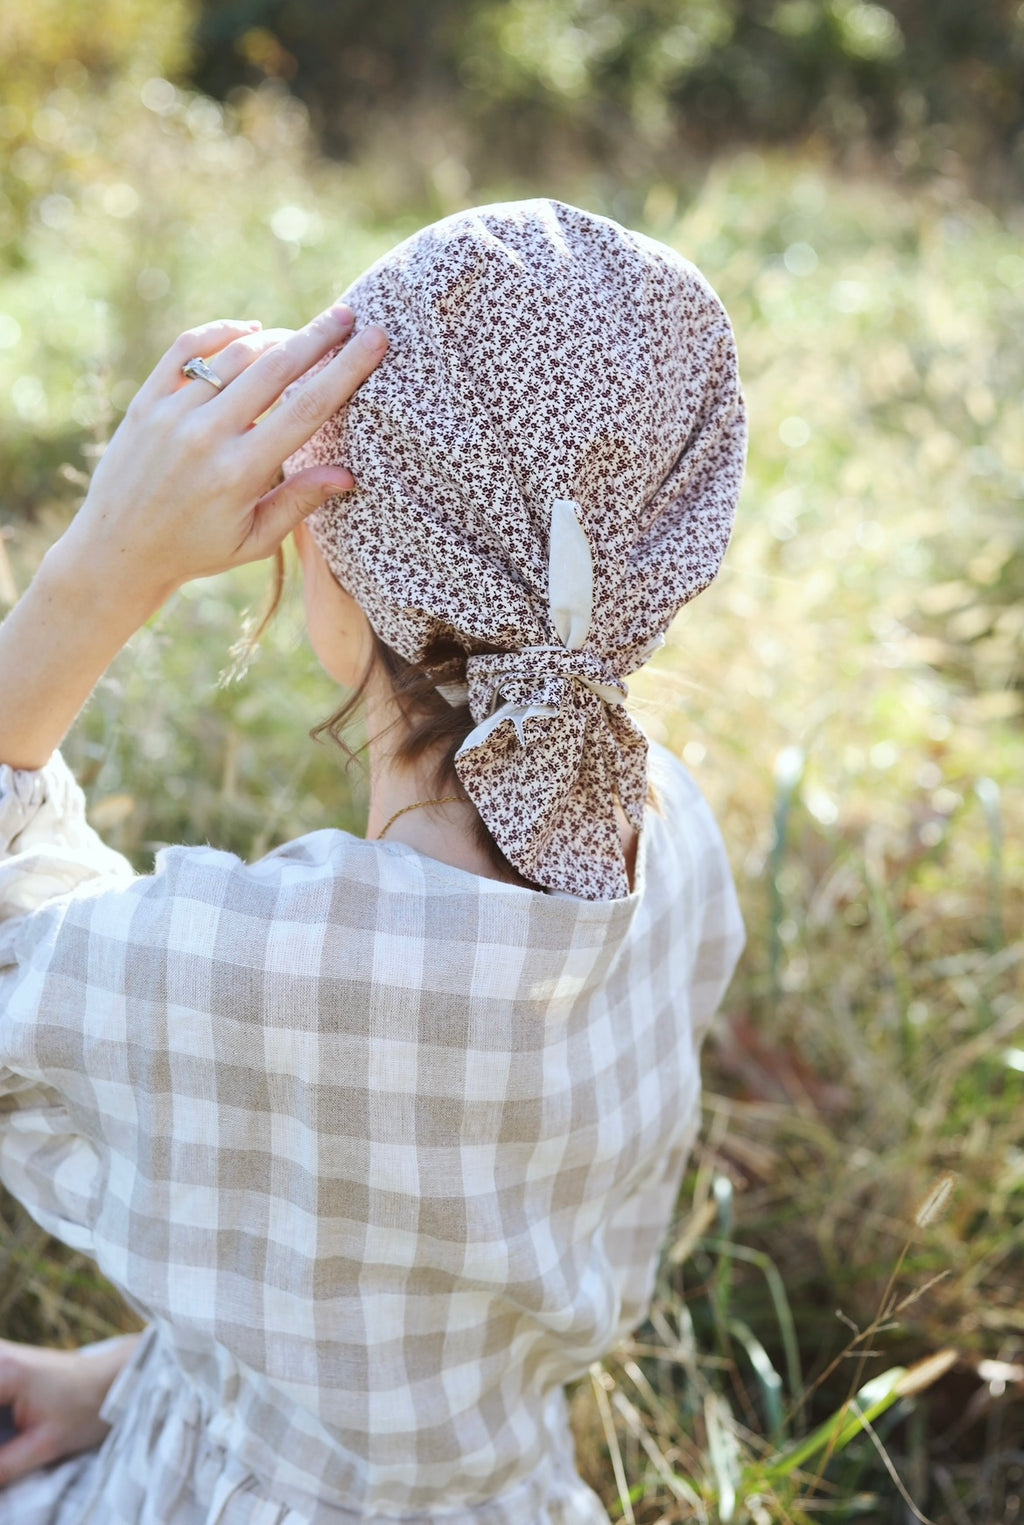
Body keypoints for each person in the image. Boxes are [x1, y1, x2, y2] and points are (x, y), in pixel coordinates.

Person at [0, 199, 746, 1523]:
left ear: (339, 563)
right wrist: (120, 1380)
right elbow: (421, 1301)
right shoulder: (673, 837)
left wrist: (99, 567)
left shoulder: (268, 970)